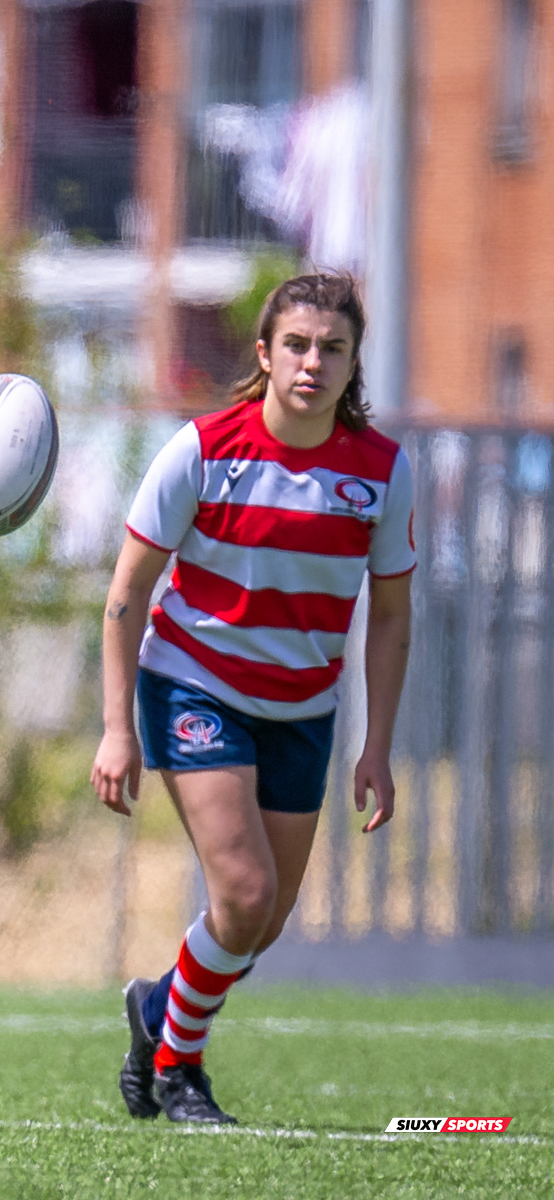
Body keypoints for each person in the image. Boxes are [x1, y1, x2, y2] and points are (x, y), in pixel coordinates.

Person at [91, 274, 414, 1125]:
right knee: (241, 892)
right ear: (265, 354)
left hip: (303, 709)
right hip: (196, 683)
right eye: (298, 345)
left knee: (260, 923)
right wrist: (115, 728)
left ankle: (156, 1008)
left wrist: (375, 744)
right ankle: (178, 1071)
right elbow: (126, 596)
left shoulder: (381, 473)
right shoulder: (203, 451)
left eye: (333, 348)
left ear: (352, 364)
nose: (314, 363)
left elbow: (390, 616)